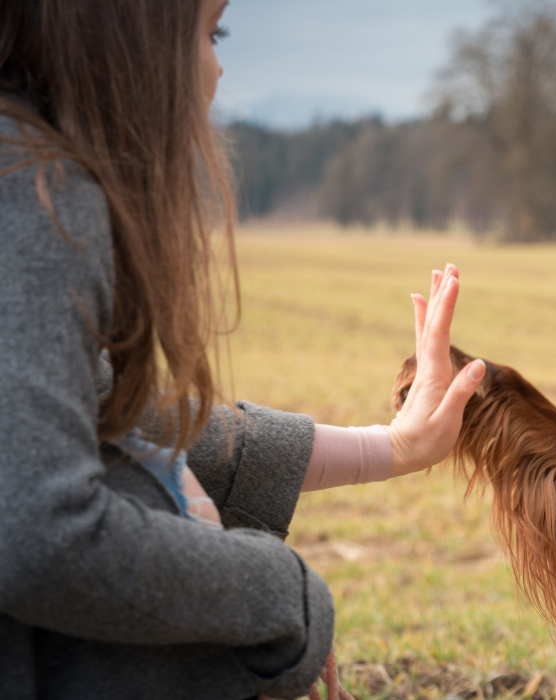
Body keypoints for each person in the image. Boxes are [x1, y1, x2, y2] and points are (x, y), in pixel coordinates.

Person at [0, 0, 485, 698]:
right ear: (124, 33)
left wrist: (392, 447)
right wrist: (281, 594)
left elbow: (106, 416)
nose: (219, 67)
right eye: (209, 31)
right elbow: (42, 537)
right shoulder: (35, 198)